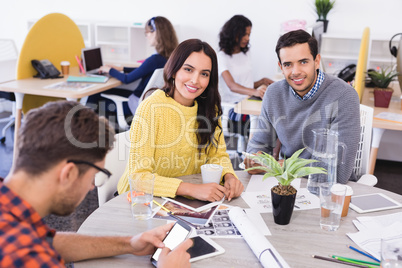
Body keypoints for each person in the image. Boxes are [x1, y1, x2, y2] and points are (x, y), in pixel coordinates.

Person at [0, 101, 191, 267]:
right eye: (93, 178)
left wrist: (130, 244)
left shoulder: (15, 212)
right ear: (69, 174)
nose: (92, 187)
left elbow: (49, 241)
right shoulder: (26, 256)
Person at [117, 39, 244, 202]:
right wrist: (192, 189)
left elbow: (217, 155)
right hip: (139, 201)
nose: (195, 80)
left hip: (182, 199)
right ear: (174, 69)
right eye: (188, 69)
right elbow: (139, 178)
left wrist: (229, 176)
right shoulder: (151, 107)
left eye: (204, 74)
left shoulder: (210, 109)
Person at [245, 29, 360, 184]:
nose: (296, 72)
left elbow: (339, 170)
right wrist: (254, 159)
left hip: (328, 188)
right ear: (281, 66)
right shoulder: (273, 93)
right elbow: (258, 145)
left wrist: (279, 165)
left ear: (317, 61)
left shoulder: (344, 96)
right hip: (286, 183)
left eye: (303, 62)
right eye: (288, 64)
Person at [89, 16, 178, 115]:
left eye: (147, 32)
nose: (146, 36)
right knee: (108, 91)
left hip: (133, 106)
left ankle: (85, 127)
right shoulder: (169, 58)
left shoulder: (154, 60)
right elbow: (143, 69)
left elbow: (126, 79)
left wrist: (109, 70)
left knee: (93, 96)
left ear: (156, 33)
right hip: (144, 104)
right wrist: (121, 68)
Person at [217, 15, 274, 135]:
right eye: (244, 34)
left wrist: (262, 81)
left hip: (248, 102)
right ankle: (255, 152)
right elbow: (232, 86)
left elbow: (244, 84)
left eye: (249, 34)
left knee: (275, 111)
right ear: (234, 33)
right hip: (233, 109)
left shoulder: (246, 53)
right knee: (267, 120)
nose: (247, 38)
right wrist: (255, 92)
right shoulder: (221, 57)